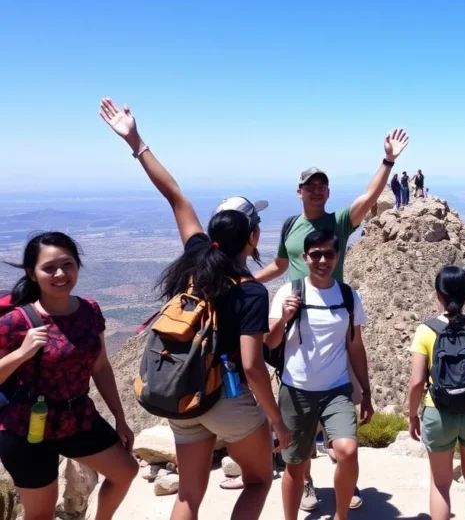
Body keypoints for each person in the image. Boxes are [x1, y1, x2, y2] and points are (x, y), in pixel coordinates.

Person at [99, 97, 291, 520]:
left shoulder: (196, 256)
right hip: (227, 398)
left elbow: (174, 194)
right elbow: (253, 367)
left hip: (183, 393)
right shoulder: (251, 293)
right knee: (258, 480)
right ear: (253, 238)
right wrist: (277, 422)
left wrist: (135, 140)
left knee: (189, 495)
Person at [254, 128, 407, 511]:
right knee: (299, 436)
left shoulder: (337, 222)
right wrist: (245, 282)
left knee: (342, 427)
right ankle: (305, 483)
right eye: (311, 186)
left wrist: (387, 161)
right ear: (299, 190)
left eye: (322, 186)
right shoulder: (291, 227)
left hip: (337, 318)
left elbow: (368, 198)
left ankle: (342, 478)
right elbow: (280, 265)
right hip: (294, 323)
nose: (317, 191)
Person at [0, 232, 138, 520]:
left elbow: (100, 367)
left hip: (78, 418)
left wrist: (120, 419)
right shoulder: (15, 322)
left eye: (68, 264)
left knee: (126, 471)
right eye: (49, 268)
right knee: (41, 514)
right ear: (32, 272)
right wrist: (21, 353)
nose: (60, 273)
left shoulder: (89, 310)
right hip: (27, 430)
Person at [267, 230, 373, 520]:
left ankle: (341, 515)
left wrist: (366, 392)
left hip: (337, 390)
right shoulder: (289, 293)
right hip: (296, 391)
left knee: (348, 451)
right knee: (295, 463)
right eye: (316, 254)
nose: (323, 260)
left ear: (337, 257)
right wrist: (284, 319)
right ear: (305, 258)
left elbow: (355, 346)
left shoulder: (349, 296)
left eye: (329, 253)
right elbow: (270, 342)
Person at [408, 266, 465, 520]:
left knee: (440, 483)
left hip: (438, 412)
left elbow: (416, 382)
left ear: (438, 295)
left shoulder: (425, 331)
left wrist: (413, 416)